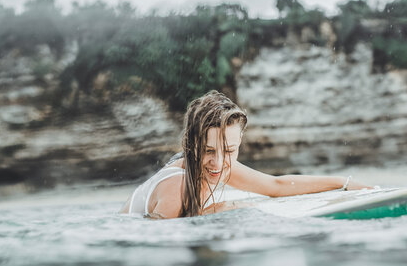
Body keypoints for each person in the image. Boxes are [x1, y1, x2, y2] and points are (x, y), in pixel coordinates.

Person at [120, 90, 369, 219]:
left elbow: (276, 185)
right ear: (192, 146)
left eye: (229, 150)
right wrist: (214, 211)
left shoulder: (216, 165)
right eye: (208, 151)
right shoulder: (177, 187)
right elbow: (153, 244)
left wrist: (343, 183)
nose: (218, 163)